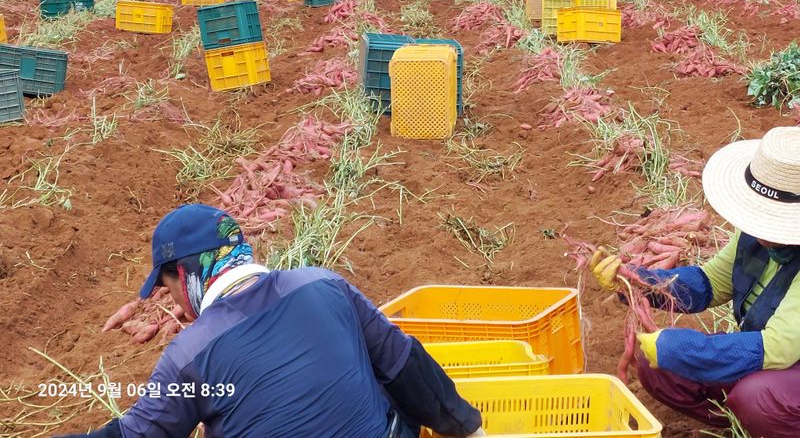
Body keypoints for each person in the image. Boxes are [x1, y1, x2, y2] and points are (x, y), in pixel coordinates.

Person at [58, 204, 486, 438]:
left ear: (186, 274)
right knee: (379, 370)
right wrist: (468, 429)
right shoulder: (323, 283)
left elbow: (136, 436)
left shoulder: (188, 355)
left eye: (168, 287)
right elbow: (405, 363)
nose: (176, 303)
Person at [590, 126, 800, 438]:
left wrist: (682, 348)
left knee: (756, 397)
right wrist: (639, 282)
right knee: (658, 366)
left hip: (785, 365)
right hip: (773, 366)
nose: (759, 226)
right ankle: (751, 425)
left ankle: (768, 419)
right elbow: (710, 283)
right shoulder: (756, 236)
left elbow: (777, 349)